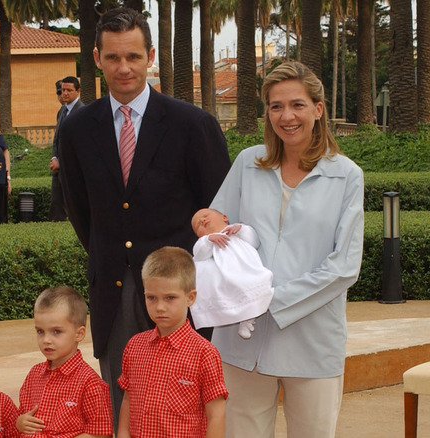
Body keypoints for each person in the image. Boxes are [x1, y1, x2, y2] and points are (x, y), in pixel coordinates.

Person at [57, 7, 231, 424]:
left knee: (185, 408)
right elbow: (81, 212)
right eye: (113, 57)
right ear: (96, 59)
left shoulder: (193, 125)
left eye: (133, 57)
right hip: (113, 288)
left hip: (178, 292)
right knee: (124, 405)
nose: (124, 68)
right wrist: (112, 252)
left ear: (150, 55)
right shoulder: (76, 130)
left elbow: (219, 210)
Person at [209, 61, 364, 438]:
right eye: (276, 106)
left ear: (318, 109)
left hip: (311, 342)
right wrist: (209, 229)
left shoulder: (346, 175)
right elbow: (218, 227)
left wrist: (271, 299)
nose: (286, 116)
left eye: (297, 104)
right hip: (240, 341)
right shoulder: (248, 162)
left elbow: (344, 266)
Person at [117, 246, 228, 438]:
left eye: (170, 298)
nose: (160, 307)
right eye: (151, 297)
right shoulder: (134, 346)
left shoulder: (204, 353)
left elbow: (216, 414)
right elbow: (128, 400)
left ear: (190, 297)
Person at [16, 286, 113, 437]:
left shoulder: (90, 383)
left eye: (56, 332)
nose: (46, 340)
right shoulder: (34, 375)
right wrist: (20, 422)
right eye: (40, 331)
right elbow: (22, 414)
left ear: (79, 334)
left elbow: (101, 434)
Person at [189, 208, 273, 339]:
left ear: (224, 217)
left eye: (205, 216)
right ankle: (242, 318)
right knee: (230, 292)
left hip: (246, 269)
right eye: (197, 225)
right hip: (226, 275)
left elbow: (254, 241)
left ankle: (248, 319)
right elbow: (199, 254)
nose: (202, 220)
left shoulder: (236, 232)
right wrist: (208, 240)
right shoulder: (206, 242)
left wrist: (241, 229)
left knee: (255, 284)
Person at [48, 76, 84, 222]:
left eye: (69, 90)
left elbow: (79, 145)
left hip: (73, 170)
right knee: (56, 207)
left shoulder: (82, 112)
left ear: (77, 91)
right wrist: (54, 157)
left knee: (74, 209)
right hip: (58, 170)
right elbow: (57, 139)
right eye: (63, 90)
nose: (65, 93)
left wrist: (62, 162)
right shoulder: (62, 111)